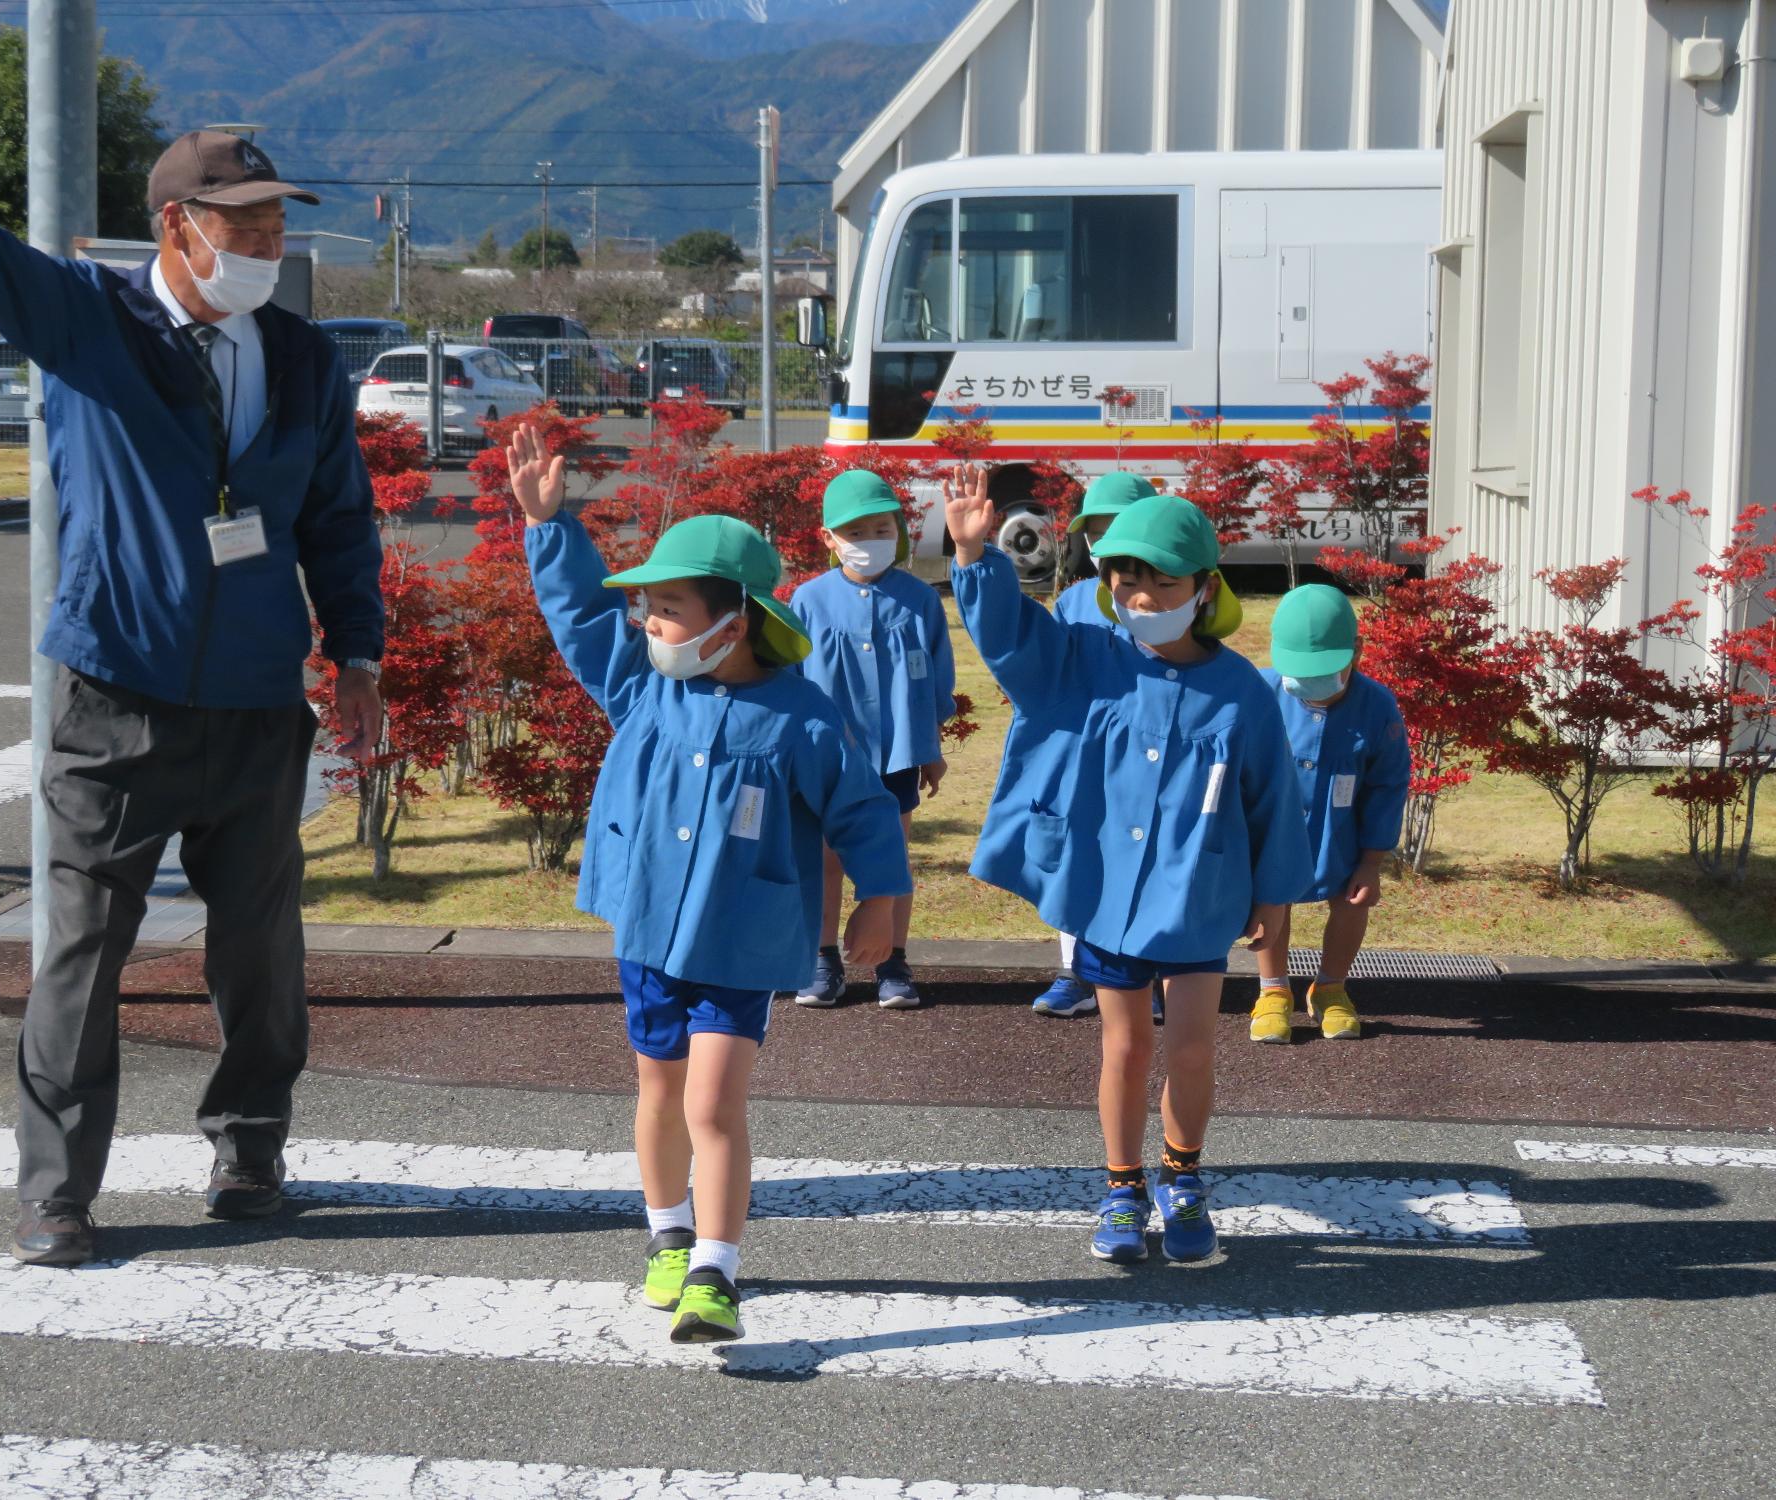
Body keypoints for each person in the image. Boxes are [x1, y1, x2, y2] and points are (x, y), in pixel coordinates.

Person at [0, 127, 385, 1267]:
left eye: (275, 226)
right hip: (116, 697)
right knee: (82, 951)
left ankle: (251, 1148)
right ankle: (57, 1193)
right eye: (242, 226)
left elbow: (337, 519)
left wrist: (356, 655)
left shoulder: (301, 357)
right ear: (176, 227)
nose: (265, 244)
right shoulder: (88, 322)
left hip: (257, 706)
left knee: (260, 951)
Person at [509, 431, 910, 1342]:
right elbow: (578, 615)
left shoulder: (800, 715)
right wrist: (548, 526)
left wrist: (882, 901)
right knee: (657, 1092)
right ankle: (665, 1233)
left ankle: (716, 1271)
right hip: (649, 930)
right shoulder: (641, 686)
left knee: (712, 1104)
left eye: (669, 607)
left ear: (737, 616)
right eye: (646, 606)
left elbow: (862, 814)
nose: (648, 621)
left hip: (740, 939)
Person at [947, 472, 1312, 1264]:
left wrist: (1273, 901)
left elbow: (1273, 801)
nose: (1141, 596)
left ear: (1205, 587)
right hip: (1108, 891)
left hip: (1198, 891)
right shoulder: (1082, 657)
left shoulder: (1242, 690)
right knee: (1123, 1048)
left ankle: (1183, 1178)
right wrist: (976, 555)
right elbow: (1010, 639)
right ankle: (1121, 1188)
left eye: (1161, 580)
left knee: (1190, 1046)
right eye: (1125, 577)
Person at [789, 470, 956, 1010]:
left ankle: (894, 960)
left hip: (900, 752)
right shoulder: (809, 600)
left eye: (880, 529)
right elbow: (790, 682)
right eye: (854, 532)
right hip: (827, 757)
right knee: (826, 857)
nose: (868, 542)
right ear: (828, 537)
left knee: (893, 857)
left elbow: (937, 677)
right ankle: (822, 958)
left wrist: (930, 747)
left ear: (898, 531)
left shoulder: (919, 599)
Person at [1252, 584, 1410, 1043]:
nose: (1309, 682)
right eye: (1298, 671)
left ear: (1356, 652)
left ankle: (1331, 986)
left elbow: (1387, 785)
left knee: (1352, 900)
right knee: (1272, 899)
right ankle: (1272, 990)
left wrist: (1372, 860)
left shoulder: (1377, 706)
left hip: (1342, 830)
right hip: (1275, 828)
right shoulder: (1263, 694)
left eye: (1323, 670)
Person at [1031, 472, 1155, 1019]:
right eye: (1095, 532)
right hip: (1085, 754)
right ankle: (1073, 972)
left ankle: (1143, 973)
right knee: (1076, 853)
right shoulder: (1075, 600)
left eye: (1117, 530)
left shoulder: (1169, 599)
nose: (1103, 543)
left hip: (1150, 756)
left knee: (1142, 856)